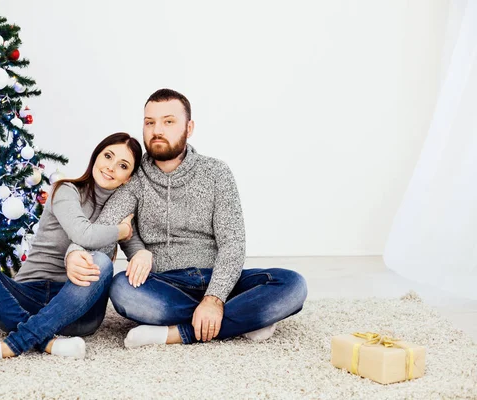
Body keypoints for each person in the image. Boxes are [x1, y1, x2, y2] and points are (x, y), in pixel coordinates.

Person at [65, 89, 308, 348]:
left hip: (220, 279)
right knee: (122, 290)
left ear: (189, 128)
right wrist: (74, 253)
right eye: (150, 123)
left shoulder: (216, 172)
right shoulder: (133, 180)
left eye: (168, 122)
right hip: (165, 285)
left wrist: (214, 298)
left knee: (293, 284)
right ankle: (245, 319)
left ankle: (177, 333)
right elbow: (103, 227)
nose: (157, 130)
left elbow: (233, 242)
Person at [0, 132, 142, 360]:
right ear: (95, 157)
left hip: (79, 309)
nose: (111, 167)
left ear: (129, 177)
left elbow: (134, 245)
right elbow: (83, 234)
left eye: (122, 165)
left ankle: (16, 342)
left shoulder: (122, 208)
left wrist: (141, 253)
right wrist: (121, 231)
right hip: (28, 295)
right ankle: (46, 341)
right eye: (108, 156)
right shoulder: (66, 190)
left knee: (100, 262)